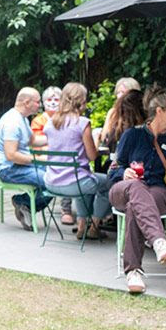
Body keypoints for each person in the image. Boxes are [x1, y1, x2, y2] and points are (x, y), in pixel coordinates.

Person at [108, 84, 166, 294]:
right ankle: (158, 240)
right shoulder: (132, 135)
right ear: (160, 111)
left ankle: (133, 271)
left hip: (159, 192)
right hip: (125, 187)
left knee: (134, 206)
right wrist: (124, 173)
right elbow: (113, 172)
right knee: (135, 188)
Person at [43, 83, 111, 240]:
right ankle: (94, 226)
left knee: (85, 178)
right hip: (74, 183)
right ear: (80, 102)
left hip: (51, 182)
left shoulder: (50, 122)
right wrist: (95, 137)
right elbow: (92, 156)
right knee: (110, 182)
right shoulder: (82, 123)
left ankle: (81, 227)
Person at [0, 87, 51, 231]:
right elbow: (11, 155)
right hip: (9, 169)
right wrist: (37, 159)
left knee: (58, 174)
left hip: (21, 166)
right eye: (38, 102)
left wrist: (56, 139)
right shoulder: (12, 123)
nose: (40, 105)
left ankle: (25, 204)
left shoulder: (23, 119)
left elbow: (33, 140)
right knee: (51, 181)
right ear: (27, 102)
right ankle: (22, 202)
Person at [32, 86, 75, 225]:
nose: (52, 102)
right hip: (43, 158)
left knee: (73, 169)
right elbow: (38, 145)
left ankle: (75, 211)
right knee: (65, 171)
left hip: (60, 157)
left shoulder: (66, 119)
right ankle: (66, 210)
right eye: (49, 99)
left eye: (56, 99)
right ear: (44, 102)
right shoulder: (39, 121)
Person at [99, 77, 141, 145]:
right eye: (118, 92)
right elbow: (104, 138)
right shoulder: (113, 113)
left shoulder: (140, 114)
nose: (120, 96)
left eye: (123, 92)